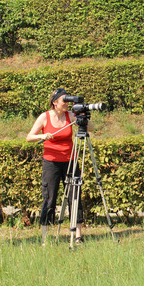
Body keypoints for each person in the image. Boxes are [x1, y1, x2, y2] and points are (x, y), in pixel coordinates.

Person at [26, 88, 93, 246]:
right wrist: (41, 136)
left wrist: (82, 115)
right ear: (54, 102)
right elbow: (29, 137)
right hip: (51, 162)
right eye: (64, 101)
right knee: (50, 198)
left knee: (74, 196)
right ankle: (45, 236)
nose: (66, 104)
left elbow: (90, 128)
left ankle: (78, 235)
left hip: (70, 160)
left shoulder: (70, 116)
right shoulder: (45, 117)